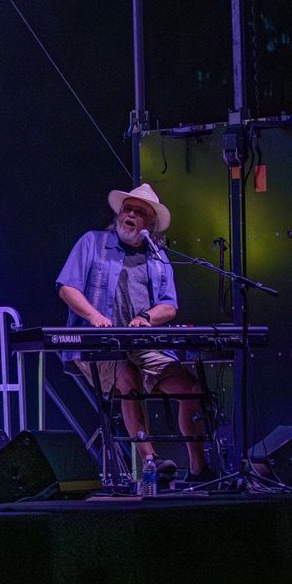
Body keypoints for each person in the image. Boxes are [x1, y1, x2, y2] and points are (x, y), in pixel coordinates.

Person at [57, 183, 212, 483]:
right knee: (128, 375)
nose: (130, 214)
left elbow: (169, 306)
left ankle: (198, 469)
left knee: (191, 389)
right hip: (98, 347)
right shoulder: (93, 242)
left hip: (142, 346)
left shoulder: (158, 257)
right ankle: (151, 462)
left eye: (139, 212)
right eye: (127, 208)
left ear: (149, 225)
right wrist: (94, 316)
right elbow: (67, 287)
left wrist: (147, 318)